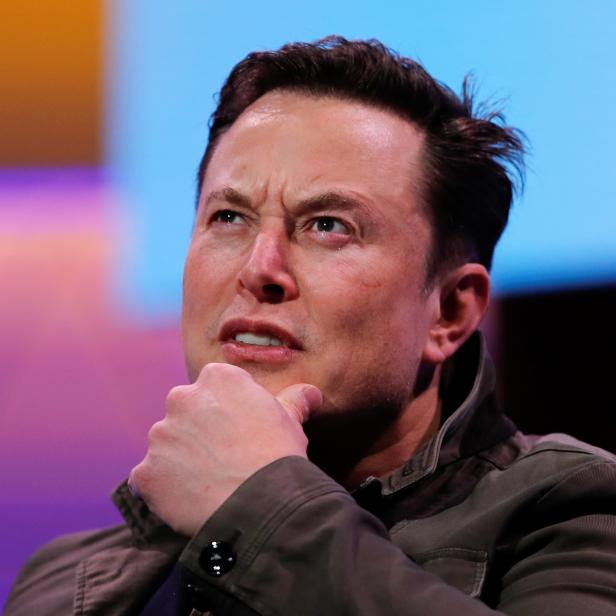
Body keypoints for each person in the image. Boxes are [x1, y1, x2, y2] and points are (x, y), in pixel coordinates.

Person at [5, 36, 616, 616]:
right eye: (228, 217)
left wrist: (258, 504)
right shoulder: (67, 582)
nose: (259, 269)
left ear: (451, 310)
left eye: (328, 225)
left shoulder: (573, 514)